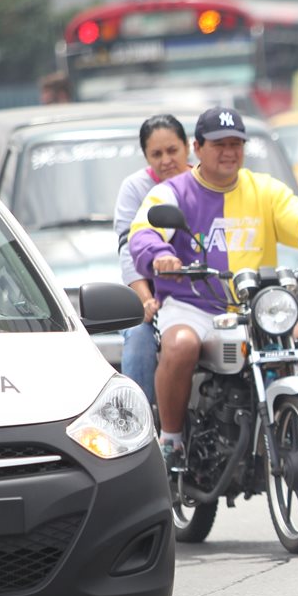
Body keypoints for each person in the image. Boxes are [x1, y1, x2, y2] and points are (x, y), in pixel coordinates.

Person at [129, 107, 298, 468]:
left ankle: (283, 425)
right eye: (219, 144)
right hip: (193, 305)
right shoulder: (173, 193)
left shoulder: (263, 189)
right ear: (197, 148)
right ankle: (171, 440)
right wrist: (160, 255)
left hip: (255, 307)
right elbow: (142, 235)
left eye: (236, 144)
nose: (229, 152)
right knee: (181, 345)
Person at [113, 114, 191, 404]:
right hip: (153, 296)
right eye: (156, 154)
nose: (166, 160)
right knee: (140, 338)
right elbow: (128, 248)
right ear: (146, 156)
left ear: (188, 147)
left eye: (173, 150)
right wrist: (146, 301)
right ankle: (139, 423)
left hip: (201, 295)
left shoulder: (204, 184)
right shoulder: (134, 188)